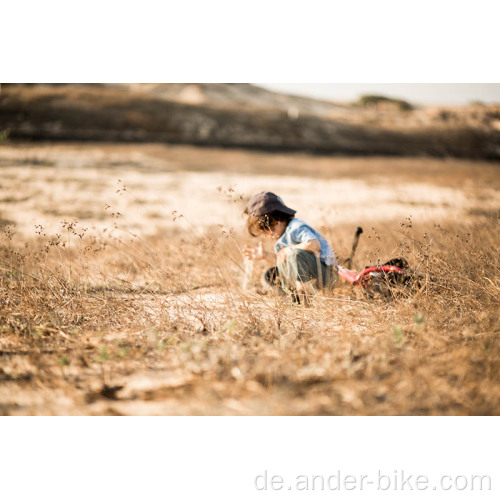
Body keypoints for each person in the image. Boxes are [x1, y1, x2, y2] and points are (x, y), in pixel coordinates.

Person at [242, 192, 338, 303]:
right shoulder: (281, 241)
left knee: (294, 254)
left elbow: (315, 245)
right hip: (309, 276)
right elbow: (284, 262)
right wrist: (265, 255)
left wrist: (289, 250)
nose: (267, 237)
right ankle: (292, 295)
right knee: (270, 275)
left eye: (267, 232)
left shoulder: (295, 227)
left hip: (326, 274)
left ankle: (303, 295)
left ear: (276, 222)